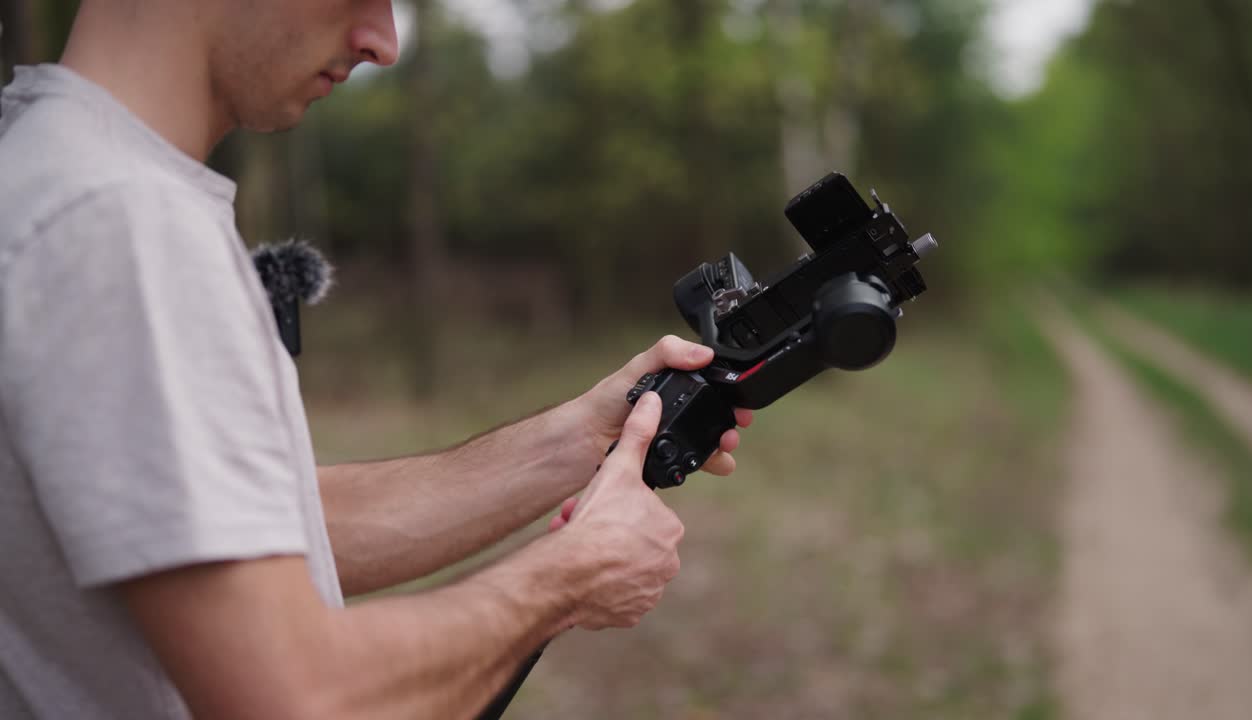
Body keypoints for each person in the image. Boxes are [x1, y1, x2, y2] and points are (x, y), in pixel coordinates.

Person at [0, 1, 752, 717]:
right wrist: (568, 577)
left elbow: (255, 524)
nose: (383, 42)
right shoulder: (121, 224)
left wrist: (580, 438)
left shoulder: (50, 168)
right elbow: (295, 701)